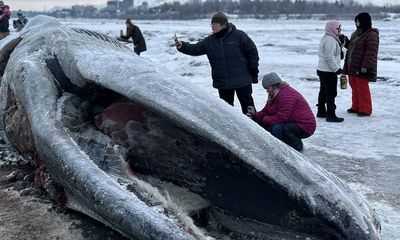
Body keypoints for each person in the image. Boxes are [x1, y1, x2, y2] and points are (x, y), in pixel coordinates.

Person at [175, 12, 259, 114]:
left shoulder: (239, 36)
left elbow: (252, 52)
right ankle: (228, 129)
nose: (213, 26)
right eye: (212, 24)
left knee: (249, 108)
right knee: (227, 112)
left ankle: (256, 127)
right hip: (223, 83)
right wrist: (182, 46)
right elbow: (195, 49)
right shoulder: (209, 41)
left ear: (223, 25)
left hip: (242, 80)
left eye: (215, 24)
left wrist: (253, 68)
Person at [247, 72, 316, 152]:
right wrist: (255, 115)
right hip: (293, 122)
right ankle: (280, 147)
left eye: (267, 88)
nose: (267, 91)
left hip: (305, 125)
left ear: (273, 85)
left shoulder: (285, 95)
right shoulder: (274, 94)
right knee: (271, 125)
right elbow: (266, 111)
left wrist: (264, 119)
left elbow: (282, 117)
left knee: (278, 128)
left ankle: (297, 148)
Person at [343, 12, 379, 117]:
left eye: (357, 21)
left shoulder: (371, 34)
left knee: (362, 88)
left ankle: (365, 109)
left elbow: (371, 52)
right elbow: (352, 48)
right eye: (355, 21)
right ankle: (356, 106)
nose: (356, 23)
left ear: (363, 21)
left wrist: (365, 66)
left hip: (362, 66)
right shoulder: (356, 34)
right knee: (354, 87)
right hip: (352, 65)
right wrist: (346, 43)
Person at [316, 20, 345, 122]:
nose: (340, 30)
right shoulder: (330, 41)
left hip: (323, 69)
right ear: (332, 28)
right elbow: (329, 57)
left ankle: (321, 111)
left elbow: (336, 54)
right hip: (328, 71)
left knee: (323, 91)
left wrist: (341, 44)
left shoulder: (330, 38)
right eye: (338, 28)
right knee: (331, 92)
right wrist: (337, 69)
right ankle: (331, 115)